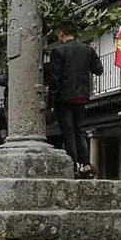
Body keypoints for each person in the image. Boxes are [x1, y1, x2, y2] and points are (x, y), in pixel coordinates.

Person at [46, 21, 104, 178]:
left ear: (60, 33)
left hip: (64, 97)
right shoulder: (87, 49)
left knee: (68, 132)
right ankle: (85, 163)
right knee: (79, 131)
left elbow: (55, 79)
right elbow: (98, 70)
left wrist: (51, 101)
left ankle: (73, 164)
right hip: (82, 96)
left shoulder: (58, 51)